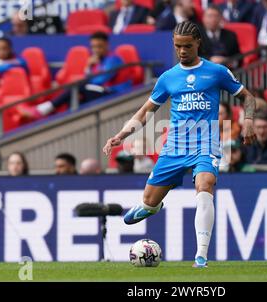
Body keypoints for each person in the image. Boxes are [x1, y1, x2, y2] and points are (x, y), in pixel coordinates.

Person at [102, 21, 256, 268]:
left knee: (204, 185)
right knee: (149, 201)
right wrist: (121, 135)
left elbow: (247, 97)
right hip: (174, 147)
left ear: (198, 44)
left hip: (206, 143)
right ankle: (151, 207)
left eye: (187, 46)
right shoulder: (168, 78)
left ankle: (201, 257)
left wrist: (248, 119)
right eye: (177, 46)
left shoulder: (216, 72)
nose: (182, 51)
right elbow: (144, 113)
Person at [22, 32, 131, 119]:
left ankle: (46, 108)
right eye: (93, 47)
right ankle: (59, 118)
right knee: (75, 94)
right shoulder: (97, 61)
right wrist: (88, 67)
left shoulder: (114, 59)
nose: (96, 50)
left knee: (78, 86)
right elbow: (90, 79)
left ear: (107, 45)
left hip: (115, 94)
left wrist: (88, 73)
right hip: (99, 91)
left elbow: (99, 80)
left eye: (99, 46)